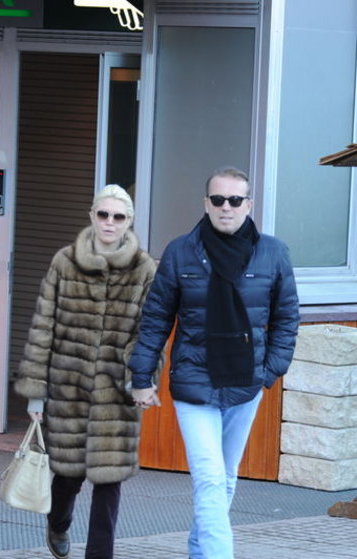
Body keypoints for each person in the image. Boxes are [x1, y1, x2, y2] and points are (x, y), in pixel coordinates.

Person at [128, 166, 300, 559]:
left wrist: (270, 370)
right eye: (219, 199)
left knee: (224, 479)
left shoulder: (273, 252)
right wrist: (141, 375)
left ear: (248, 204)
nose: (227, 207)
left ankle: (199, 551)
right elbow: (156, 318)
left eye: (235, 200)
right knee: (209, 478)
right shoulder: (180, 252)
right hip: (194, 382)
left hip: (245, 383)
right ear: (206, 204)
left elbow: (287, 316)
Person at [15, 184, 158, 559]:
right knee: (69, 473)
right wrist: (36, 392)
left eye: (118, 216)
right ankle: (58, 522)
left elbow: (147, 332)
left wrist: (139, 378)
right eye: (103, 214)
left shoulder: (144, 268)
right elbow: (43, 325)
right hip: (69, 387)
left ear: (129, 221)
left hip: (116, 389)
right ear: (92, 216)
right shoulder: (65, 261)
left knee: (110, 480)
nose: (110, 222)